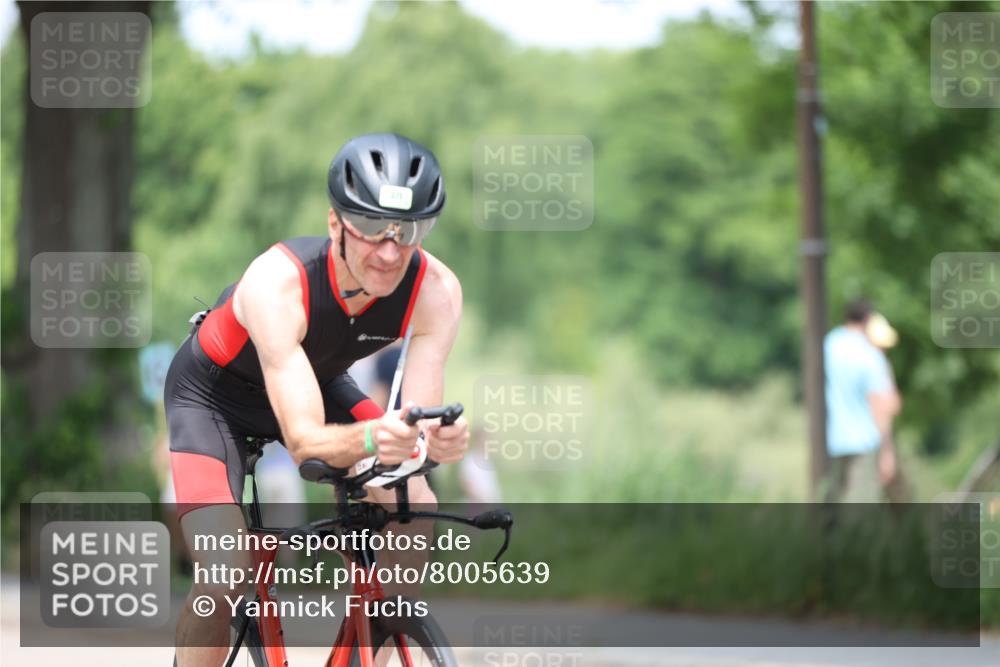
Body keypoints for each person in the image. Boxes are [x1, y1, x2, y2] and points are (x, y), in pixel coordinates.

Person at [164, 133, 469, 667]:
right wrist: (377, 436)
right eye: (373, 228)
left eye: (409, 230)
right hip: (213, 400)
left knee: (414, 501)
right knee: (225, 575)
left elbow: (414, 432)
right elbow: (306, 442)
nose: (390, 250)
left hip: (315, 381)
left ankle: (376, 626)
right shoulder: (278, 282)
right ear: (336, 225)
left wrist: (435, 442)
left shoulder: (436, 291)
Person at [823, 300, 901, 503]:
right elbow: (881, 406)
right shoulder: (871, 355)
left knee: (832, 507)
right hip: (864, 441)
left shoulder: (829, 344)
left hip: (830, 439)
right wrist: (887, 452)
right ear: (868, 320)